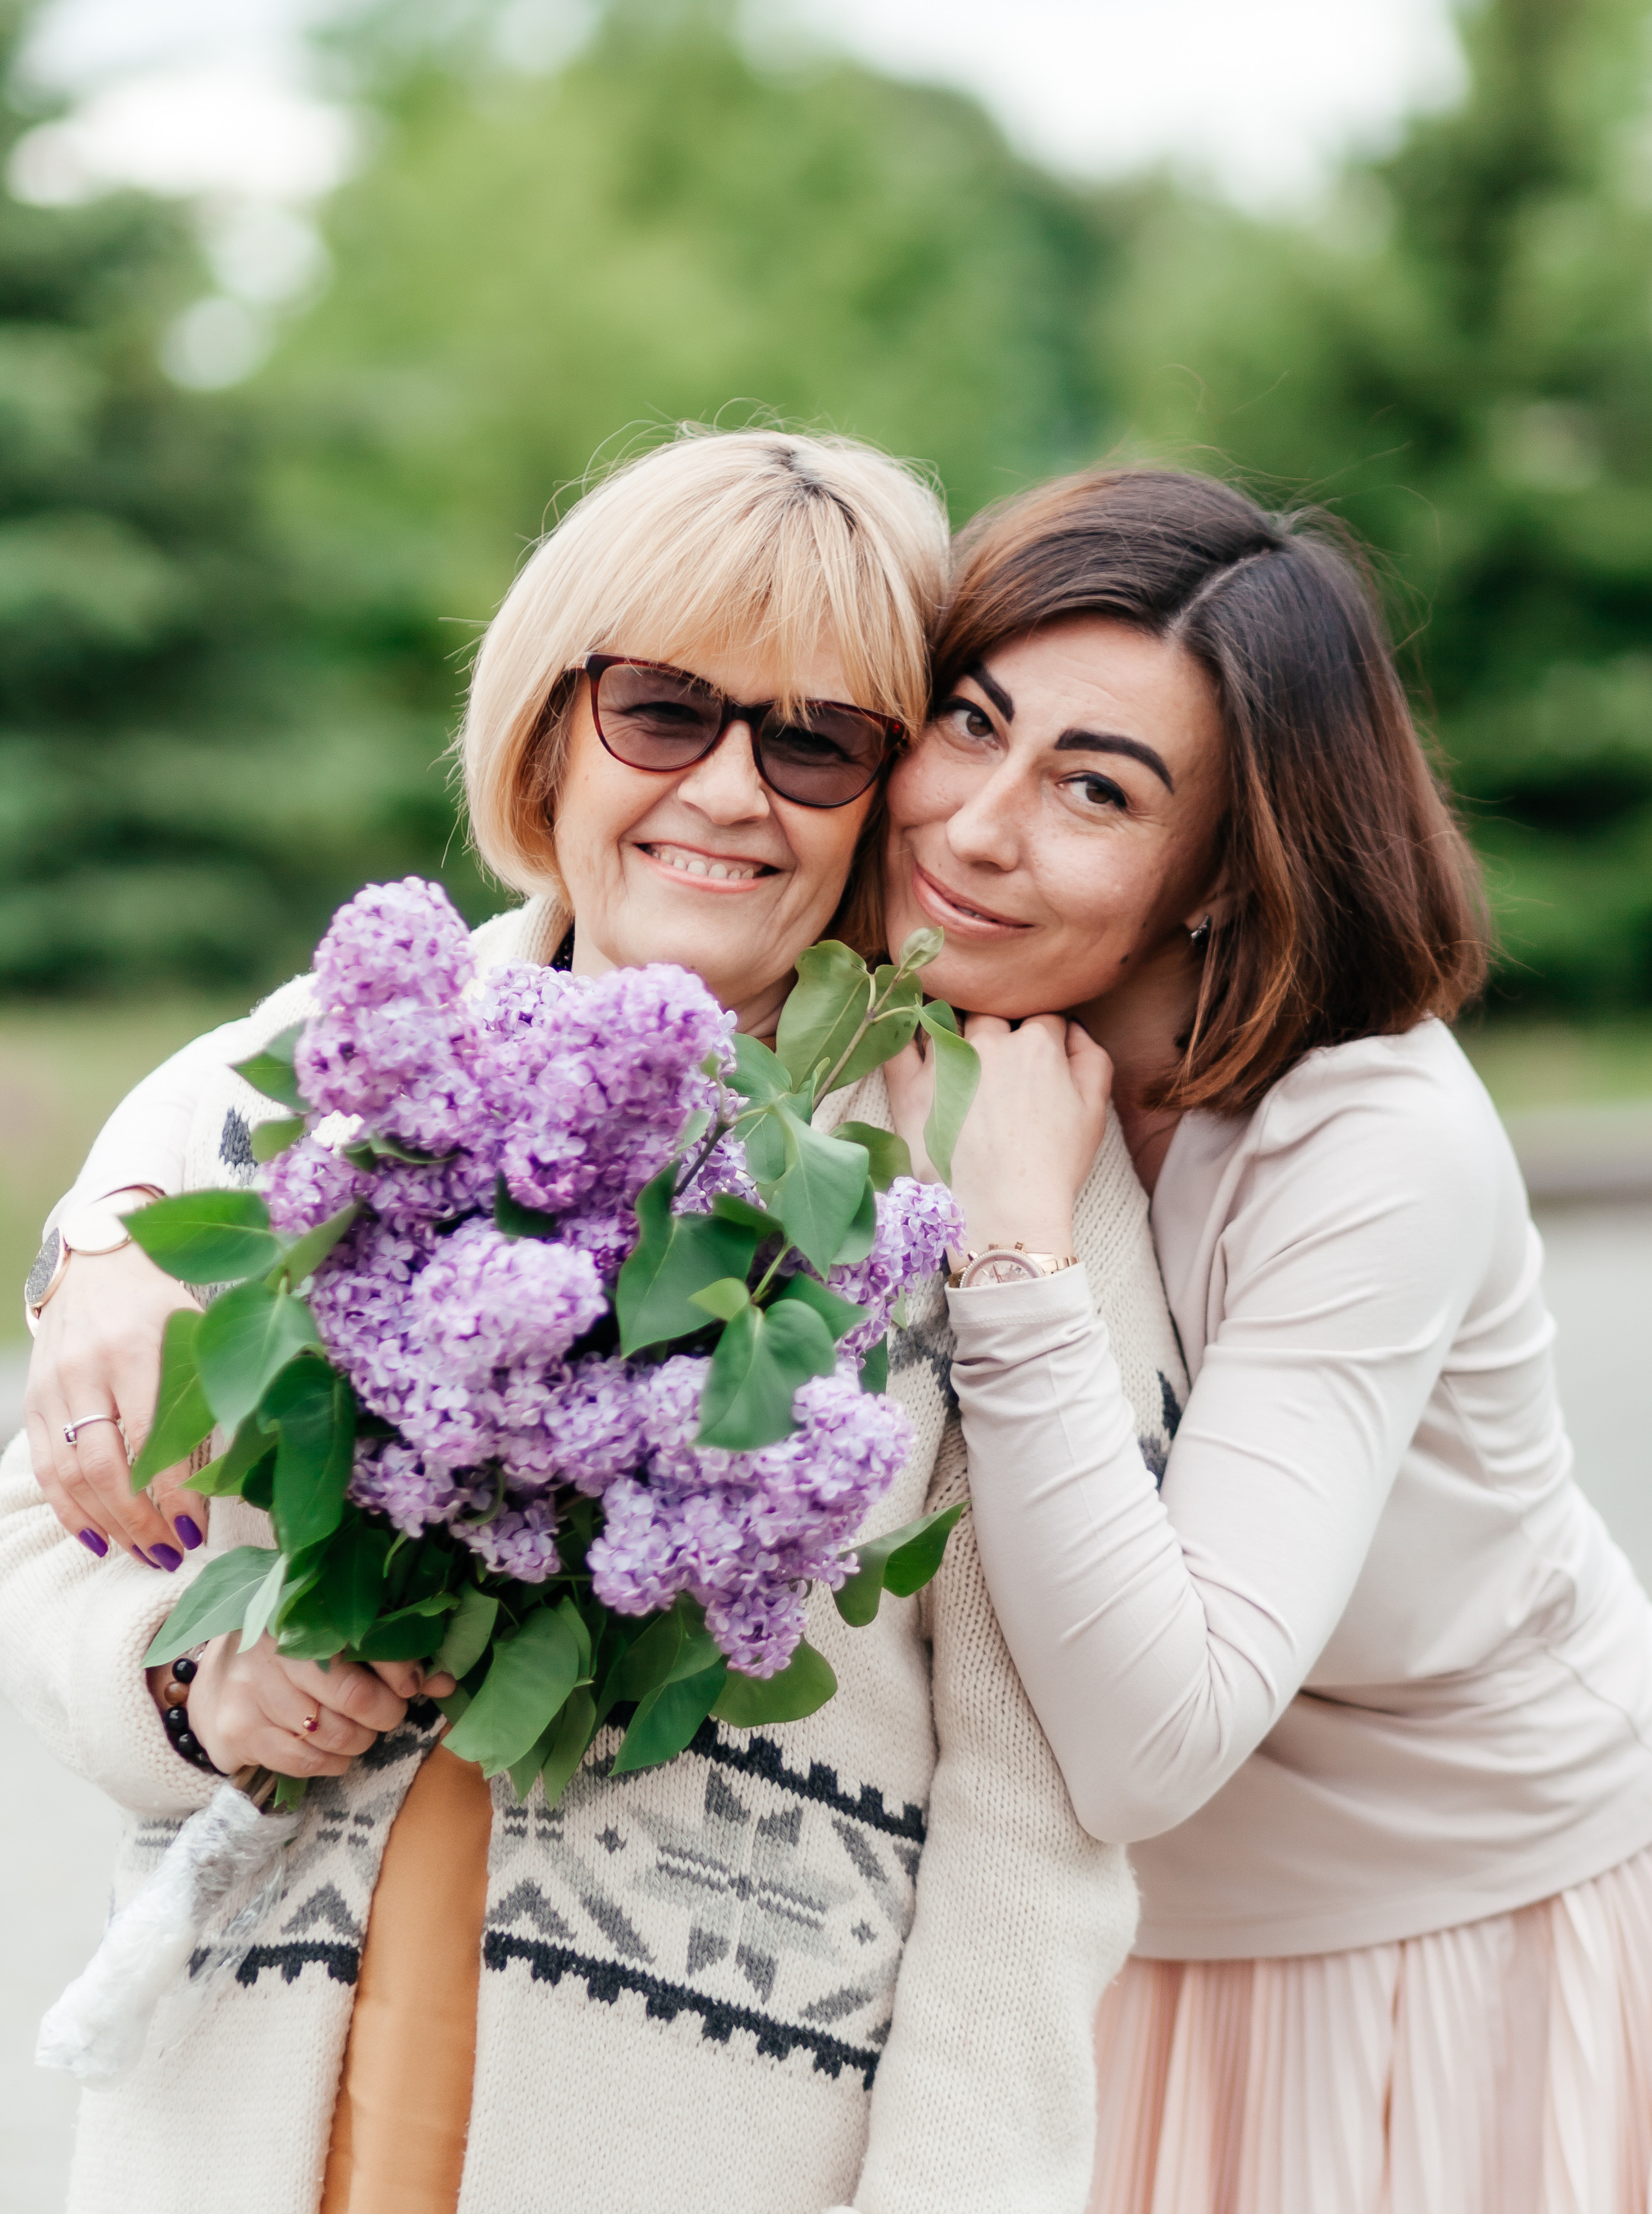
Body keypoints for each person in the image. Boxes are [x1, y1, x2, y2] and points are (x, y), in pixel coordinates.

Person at [1, 428, 1151, 2214]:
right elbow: (56, 1527)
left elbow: (1040, 1817)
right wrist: (191, 1679)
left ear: (884, 792)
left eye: (816, 739)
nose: (731, 792)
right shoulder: (338, 1061)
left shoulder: (992, 1178)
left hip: (707, 2138)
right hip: (237, 2105)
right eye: (666, 710)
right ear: (552, 725)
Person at [875, 466, 1652, 2214]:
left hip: (1437, 1945)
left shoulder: (1370, 1146)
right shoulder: (933, 991)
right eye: (970, 725)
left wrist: (1016, 1251)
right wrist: (117, 1238)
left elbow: (1153, 1741)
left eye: (1094, 788)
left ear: (1227, 870)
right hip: (1103, 1942)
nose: (978, 826)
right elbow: (543, 963)